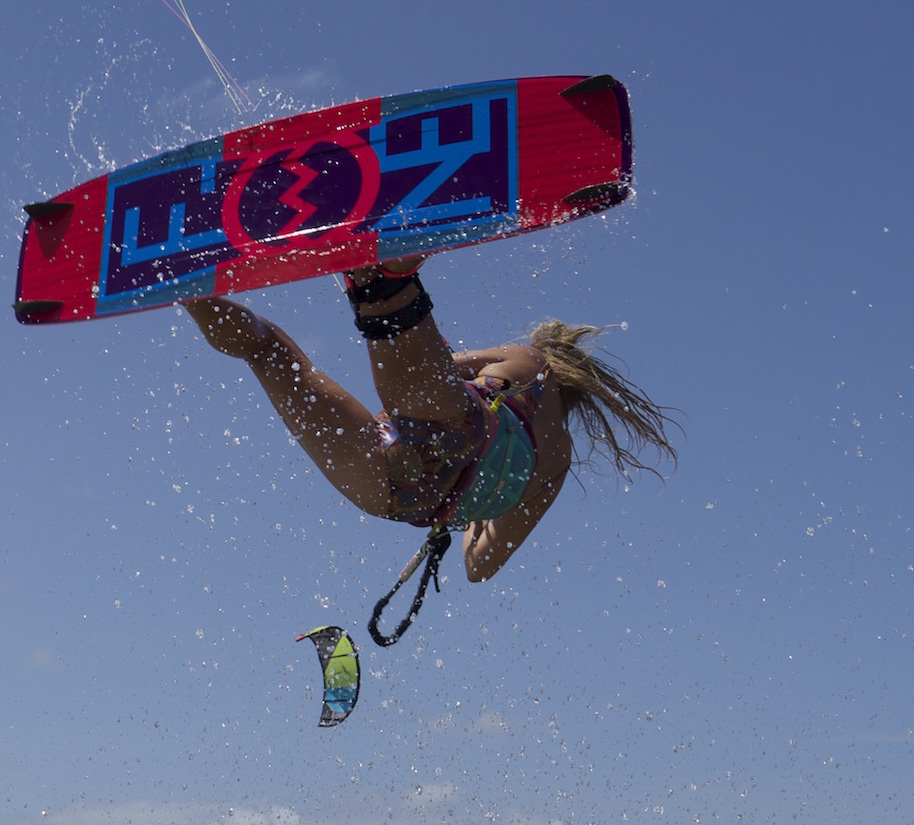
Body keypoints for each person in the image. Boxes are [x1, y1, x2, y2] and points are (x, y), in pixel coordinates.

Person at [181, 256, 674, 626]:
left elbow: (452, 365)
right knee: (267, 352)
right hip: (394, 492)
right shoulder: (557, 463)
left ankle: (380, 273)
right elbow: (478, 566)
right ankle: (188, 291)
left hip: (446, 424)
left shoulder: (531, 362)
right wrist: (469, 508)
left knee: (371, 298)